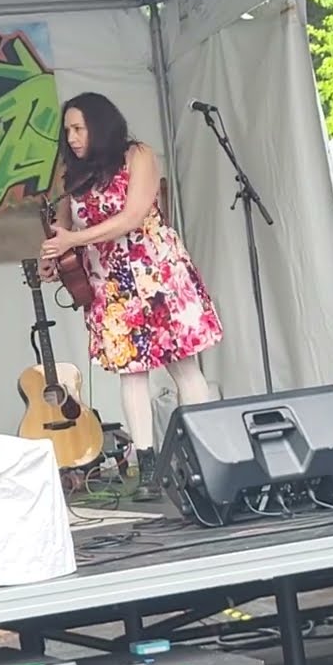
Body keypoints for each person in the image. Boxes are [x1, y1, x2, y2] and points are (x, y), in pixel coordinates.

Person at [39, 92, 222, 502]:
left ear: (100, 125)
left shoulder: (136, 155)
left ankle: (207, 452)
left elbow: (134, 215)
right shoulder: (76, 176)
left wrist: (76, 239)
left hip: (156, 275)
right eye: (67, 130)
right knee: (131, 373)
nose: (70, 137)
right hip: (113, 285)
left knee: (183, 369)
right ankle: (148, 466)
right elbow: (60, 229)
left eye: (78, 128)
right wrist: (51, 257)